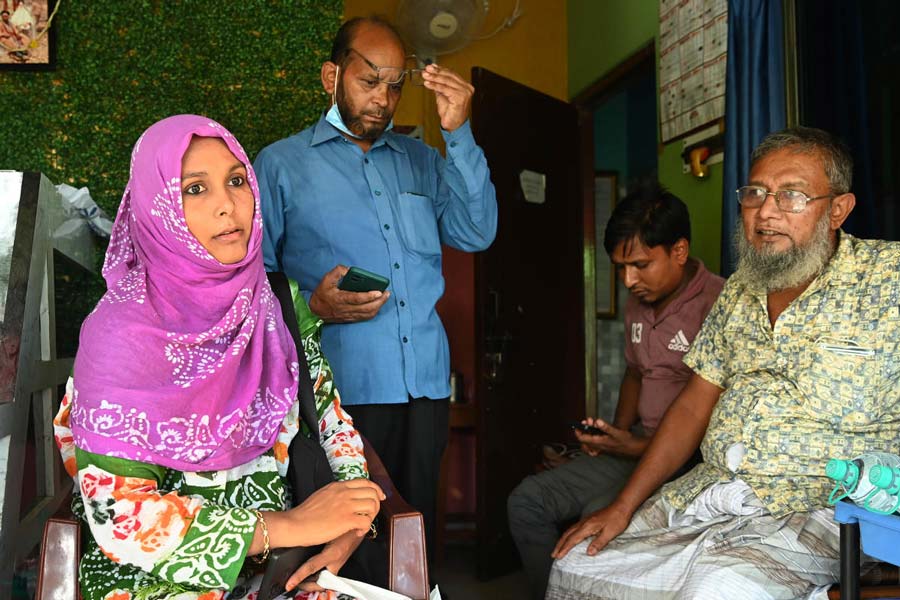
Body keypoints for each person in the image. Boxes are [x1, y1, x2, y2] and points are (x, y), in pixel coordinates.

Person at [547, 126, 900, 600]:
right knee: (576, 563)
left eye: (792, 195)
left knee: (720, 589)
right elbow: (694, 404)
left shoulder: (887, 279)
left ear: (837, 210)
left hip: (821, 508)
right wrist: (623, 505)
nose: (766, 212)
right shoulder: (740, 289)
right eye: (755, 193)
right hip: (712, 493)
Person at [52, 114, 387, 600]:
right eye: (194, 189)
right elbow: (122, 520)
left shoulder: (274, 305)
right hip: (158, 580)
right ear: (155, 208)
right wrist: (290, 525)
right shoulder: (119, 335)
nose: (227, 206)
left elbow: (330, 420)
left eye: (235, 181)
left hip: (283, 572)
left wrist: (349, 523)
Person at [254, 15, 497, 555]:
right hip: (339, 393)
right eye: (369, 82)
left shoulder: (424, 163)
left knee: (416, 532)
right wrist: (311, 305)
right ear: (330, 76)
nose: (383, 100)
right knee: (348, 539)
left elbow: (476, 232)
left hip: (424, 386)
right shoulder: (280, 165)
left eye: (395, 85)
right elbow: (252, 283)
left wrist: (459, 133)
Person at [506, 184, 724, 599]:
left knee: (595, 519)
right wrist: (614, 435)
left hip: (689, 462)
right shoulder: (639, 301)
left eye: (640, 265)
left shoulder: (720, 303)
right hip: (634, 446)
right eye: (621, 268)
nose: (628, 280)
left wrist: (634, 446)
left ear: (679, 251)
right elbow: (635, 373)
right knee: (527, 501)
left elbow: (709, 421)